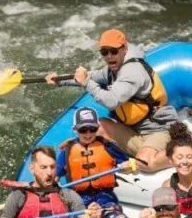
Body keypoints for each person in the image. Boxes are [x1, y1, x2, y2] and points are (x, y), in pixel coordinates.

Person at [47, 28, 177, 172]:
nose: (109, 56)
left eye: (114, 51)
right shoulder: (112, 70)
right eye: (104, 52)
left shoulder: (133, 71)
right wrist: (60, 80)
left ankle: (182, 153)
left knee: (145, 163)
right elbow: (89, 76)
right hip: (133, 131)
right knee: (98, 127)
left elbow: (111, 101)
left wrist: (86, 83)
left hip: (158, 130)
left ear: (125, 48)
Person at [56, 107, 135, 218]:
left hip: (106, 201)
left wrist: (127, 167)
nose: (88, 133)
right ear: (75, 129)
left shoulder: (108, 146)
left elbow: (129, 166)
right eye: (83, 130)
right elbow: (53, 177)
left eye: (92, 129)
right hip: (79, 204)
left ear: (97, 128)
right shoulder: (67, 151)